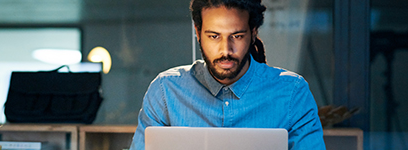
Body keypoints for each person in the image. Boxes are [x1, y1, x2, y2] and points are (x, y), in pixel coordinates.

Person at [129, 0, 325, 149]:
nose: (226, 50)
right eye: (214, 36)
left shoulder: (292, 93)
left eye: (237, 36)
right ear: (198, 32)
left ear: (254, 32)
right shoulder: (166, 91)